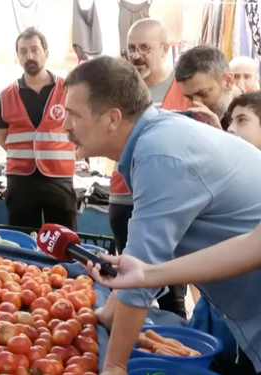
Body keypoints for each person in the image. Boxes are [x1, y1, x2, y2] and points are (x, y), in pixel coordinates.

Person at [62, 56, 261, 375]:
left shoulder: (159, 153)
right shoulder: (157, 138)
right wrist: (107, 315)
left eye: (73, 114)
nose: (65, 126)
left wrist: (113, 365)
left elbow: (144, 266)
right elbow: (142, 266)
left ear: (112, 118)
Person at [109, 19, 191, 318]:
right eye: (132, 48)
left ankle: (174, 353)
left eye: (146, 47)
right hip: (123, 196)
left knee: (171, 290)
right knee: (129, 283)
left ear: (165, 49)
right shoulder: (120, 90)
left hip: (169, 203)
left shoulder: (183, 90)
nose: (137, 54)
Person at [0, 27, 77, 231]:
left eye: (35, 49)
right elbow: (3, 137)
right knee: (21, 240)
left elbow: (81, 128)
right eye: (23, 51)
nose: (29, 56)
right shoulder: (5, 95)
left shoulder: (68, 90)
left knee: (63, 240)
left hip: (59, 177)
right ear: (18, 56)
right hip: (21, 180)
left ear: (46, 53)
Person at [175, 45, 242, 130]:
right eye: (189, 97)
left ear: (228, 81)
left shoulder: (256, 112)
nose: (196, 104)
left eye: (203, 93)